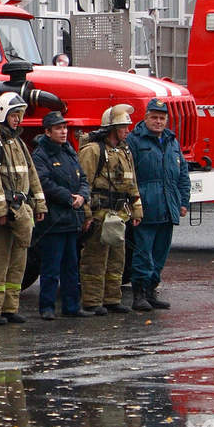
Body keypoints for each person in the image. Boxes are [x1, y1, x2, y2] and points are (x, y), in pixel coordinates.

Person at [0, 92, 47, 326]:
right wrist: (0, 211)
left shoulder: (18, 144)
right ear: (2, 114)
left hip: (21, 211)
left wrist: (39, 204)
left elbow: (31, 175)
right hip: (1, 215)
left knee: (17, 263)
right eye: (14, 115)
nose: (17, 119)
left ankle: (9, 308)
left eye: (19, 115)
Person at [77, 104, 143, 315]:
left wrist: (137, 209)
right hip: (99, 213)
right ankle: (92, 301)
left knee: (117, 260)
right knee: (95, 260)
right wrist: (86, 214)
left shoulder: (124, 151)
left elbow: (131, 182)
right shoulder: (93, 151)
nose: (127, 130)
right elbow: (83, 184)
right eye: (123, 127)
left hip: (119, 215)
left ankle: (112, 299)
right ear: (111, 128)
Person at [127, 97, 189, 311]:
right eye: (154, 117)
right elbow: (129, 176)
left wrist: (183, 201)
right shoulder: (134, 141)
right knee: (143, 253)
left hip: (168, 205)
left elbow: (182, 175)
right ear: (145, 118)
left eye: (162, 118)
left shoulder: (172, 142)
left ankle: (152, 291)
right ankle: (139, 294)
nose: (158, 122)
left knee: (160, 254)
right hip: (146, 206)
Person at [31, 110, 91, 319]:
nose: (64, 132)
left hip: (71, 219)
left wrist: (82, 196)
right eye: (59, 128)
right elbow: (43, 183)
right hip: (53, 221)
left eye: (65, 127)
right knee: (51, 268)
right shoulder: (40, 155)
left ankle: (71, 306)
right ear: (47, 132)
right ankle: (47, 307)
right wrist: (68, 197)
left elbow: (83, 178)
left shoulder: (69, 151)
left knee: (71, 267)